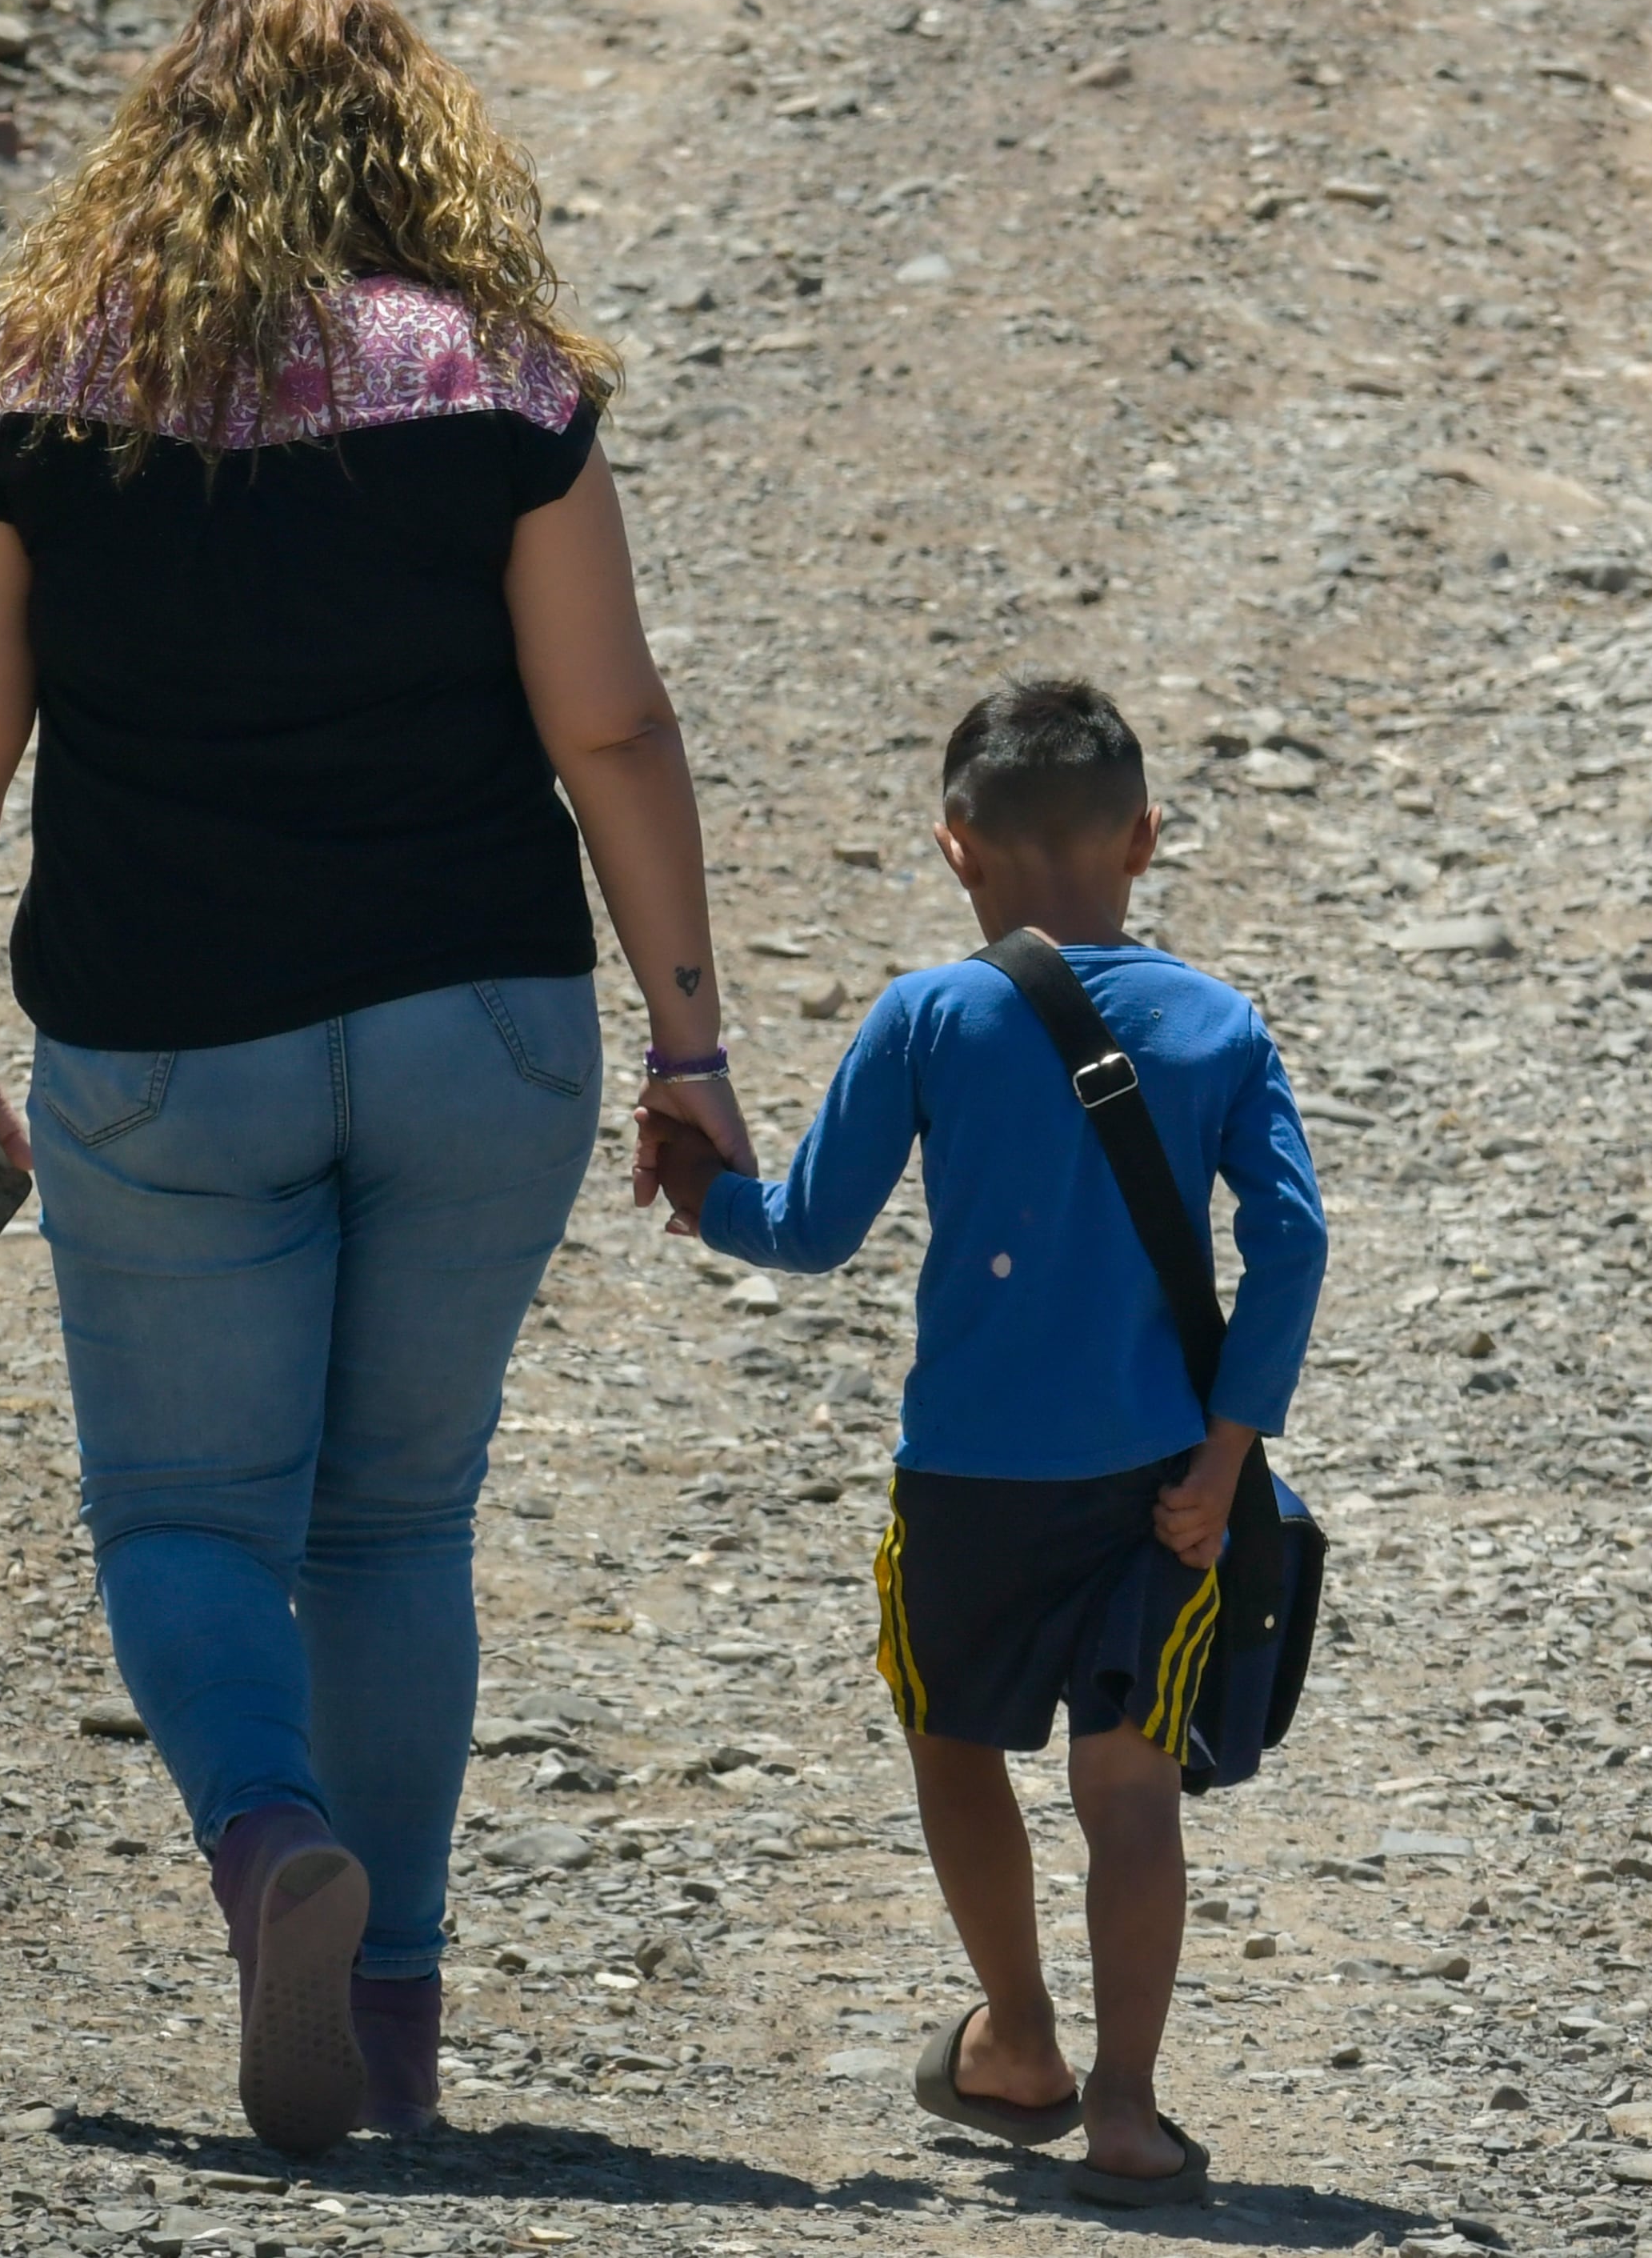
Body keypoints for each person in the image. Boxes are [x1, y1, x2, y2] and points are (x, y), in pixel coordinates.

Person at [0, 0, 754, 2154]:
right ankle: (389, 2029)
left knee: (185, 1508)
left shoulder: (43, 390)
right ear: (415, 150)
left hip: (171, 1042)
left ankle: (269, 1840)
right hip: (483, 1023)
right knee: (396, 1519)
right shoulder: (501, 381)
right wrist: (690, 1037)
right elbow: (613, 723)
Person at [645, 676, 1326, 2206]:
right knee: (1131, 1788)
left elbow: (812, 1229)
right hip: (1160, 1487)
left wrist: (701, 1194)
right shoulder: (1219, 1024)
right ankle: (1131, 2110)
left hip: (964, 1480)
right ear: (1146, 837)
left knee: (955, 1737)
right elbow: (1290, 1242)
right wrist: (1227, 1456)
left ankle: (1017, 2038)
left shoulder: (932, 1014)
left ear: (957, 852)